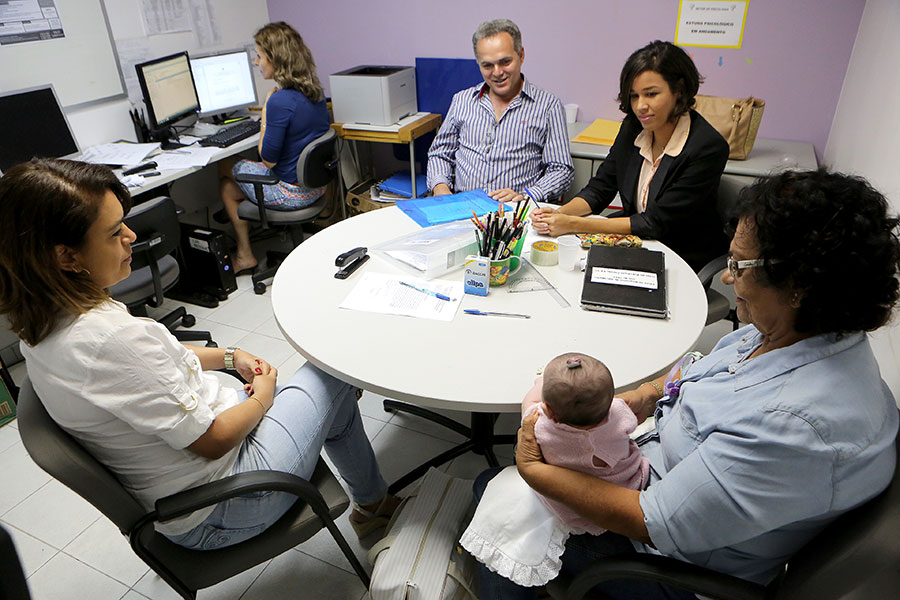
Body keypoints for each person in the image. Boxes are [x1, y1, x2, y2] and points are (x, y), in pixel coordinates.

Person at [476, 168, 900, 599]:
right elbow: (700, 367)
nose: (728, 278)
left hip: (665, 564)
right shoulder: (802, 332)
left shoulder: (791, 425)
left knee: (494, 492)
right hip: (652, 467)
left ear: (798, 285)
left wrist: (536, 472)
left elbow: (652, 520)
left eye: (739, 265)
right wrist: (645, 394)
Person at [0, 159, 397, 550]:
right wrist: (263, 397)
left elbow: (159, 357)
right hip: (225, 502)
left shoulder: (45, 325)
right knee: (331, 369)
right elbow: (213, 440)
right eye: (114, 232)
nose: (131, 236)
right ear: (66, 257)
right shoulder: (107, 340)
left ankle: (372, 503)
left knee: (331, 402)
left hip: (195, 479)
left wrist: (230, 356)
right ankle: (373, 504)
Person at [531, 40, 729, 271]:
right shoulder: (633, 127)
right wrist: (557, 214)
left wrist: (572, 224)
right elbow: (600, 188)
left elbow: (654, 223)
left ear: (679, 91)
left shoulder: (707, 147)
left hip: (680, 257)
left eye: (651, 94)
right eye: (634, 96)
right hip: (634, 245)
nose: (640, 106)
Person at [461, 353, 648, 587]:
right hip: (629, 484)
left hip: (574, 509)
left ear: (548, 409)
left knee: (494, 479)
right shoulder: (620, 411)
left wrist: (541, 382)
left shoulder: (541, 426)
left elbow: (529, 402)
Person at [219, 22, 331, 274]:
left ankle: (245, 254)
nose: (256, 62)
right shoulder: (314, 91)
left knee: (224, 165)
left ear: (276, 58)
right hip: (315, 186)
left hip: (291, 192)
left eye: (259, 56)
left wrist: (266, 112)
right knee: (228, 188)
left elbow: (268, 160)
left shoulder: (279, 100)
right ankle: (245, 253)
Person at [426, 19, 574, 204]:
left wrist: (528, 195)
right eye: (487, 65)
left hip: (515, 211)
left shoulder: (548, 106)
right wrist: (440, 187)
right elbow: (440, 154)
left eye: (505, 62)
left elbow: (561, 170)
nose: (497, 72)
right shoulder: (462, 100)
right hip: (463, 208)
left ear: (521, 55)